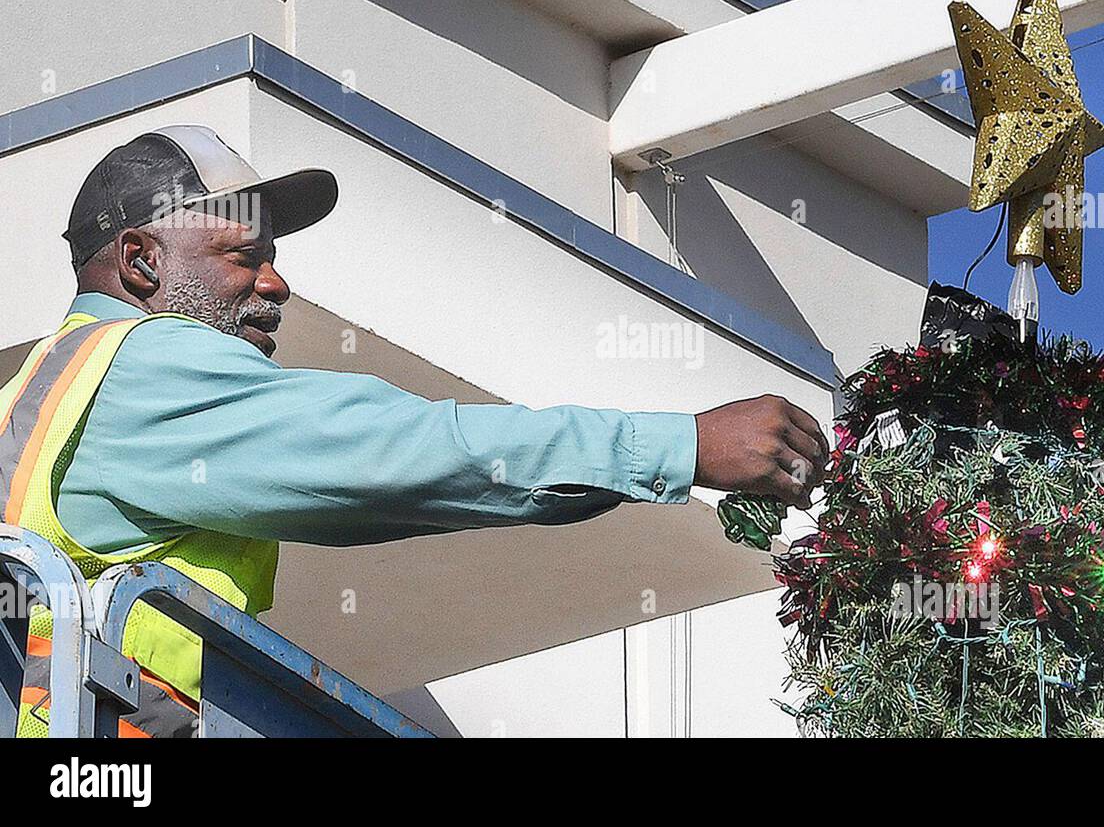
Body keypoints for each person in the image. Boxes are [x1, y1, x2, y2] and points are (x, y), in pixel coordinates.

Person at [0, 125, 828, 737]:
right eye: (242, 254)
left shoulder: (49, 388)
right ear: (142, 263)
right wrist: (679, 446)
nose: (276, 282)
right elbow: (404, 452)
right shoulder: (146, 369)